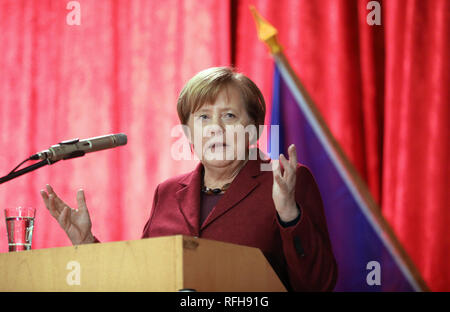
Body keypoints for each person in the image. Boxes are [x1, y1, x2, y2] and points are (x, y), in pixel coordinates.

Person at [40, 67, 337, 291]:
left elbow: (318, 284)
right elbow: (142, 279)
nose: (215, 128)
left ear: (255, 130)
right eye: (203, 118)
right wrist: (86, 244)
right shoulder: (167, 193)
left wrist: (289, 215)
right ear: (188, 133)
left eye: (230, 116)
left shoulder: (285, 182)